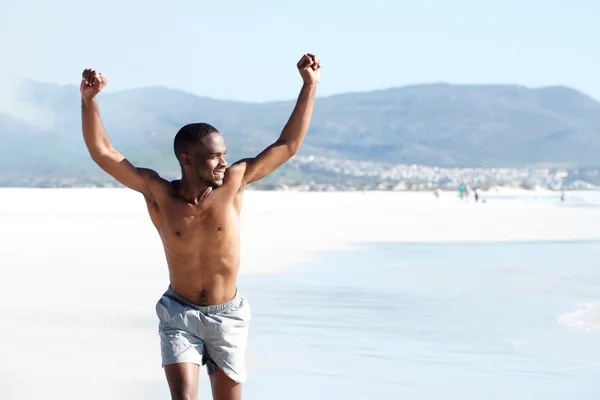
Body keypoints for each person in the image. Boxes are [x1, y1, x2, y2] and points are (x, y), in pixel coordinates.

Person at [80, 53, 321, 400]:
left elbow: (287, 145)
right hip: (179, 312)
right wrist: (89, 102)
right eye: (214, 157)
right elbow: (103, 152)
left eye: (224, 154)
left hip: (228, 316)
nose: (224, 162)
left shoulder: (234, 183)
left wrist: (309, 85)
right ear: (187, 160)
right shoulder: (159, 193)